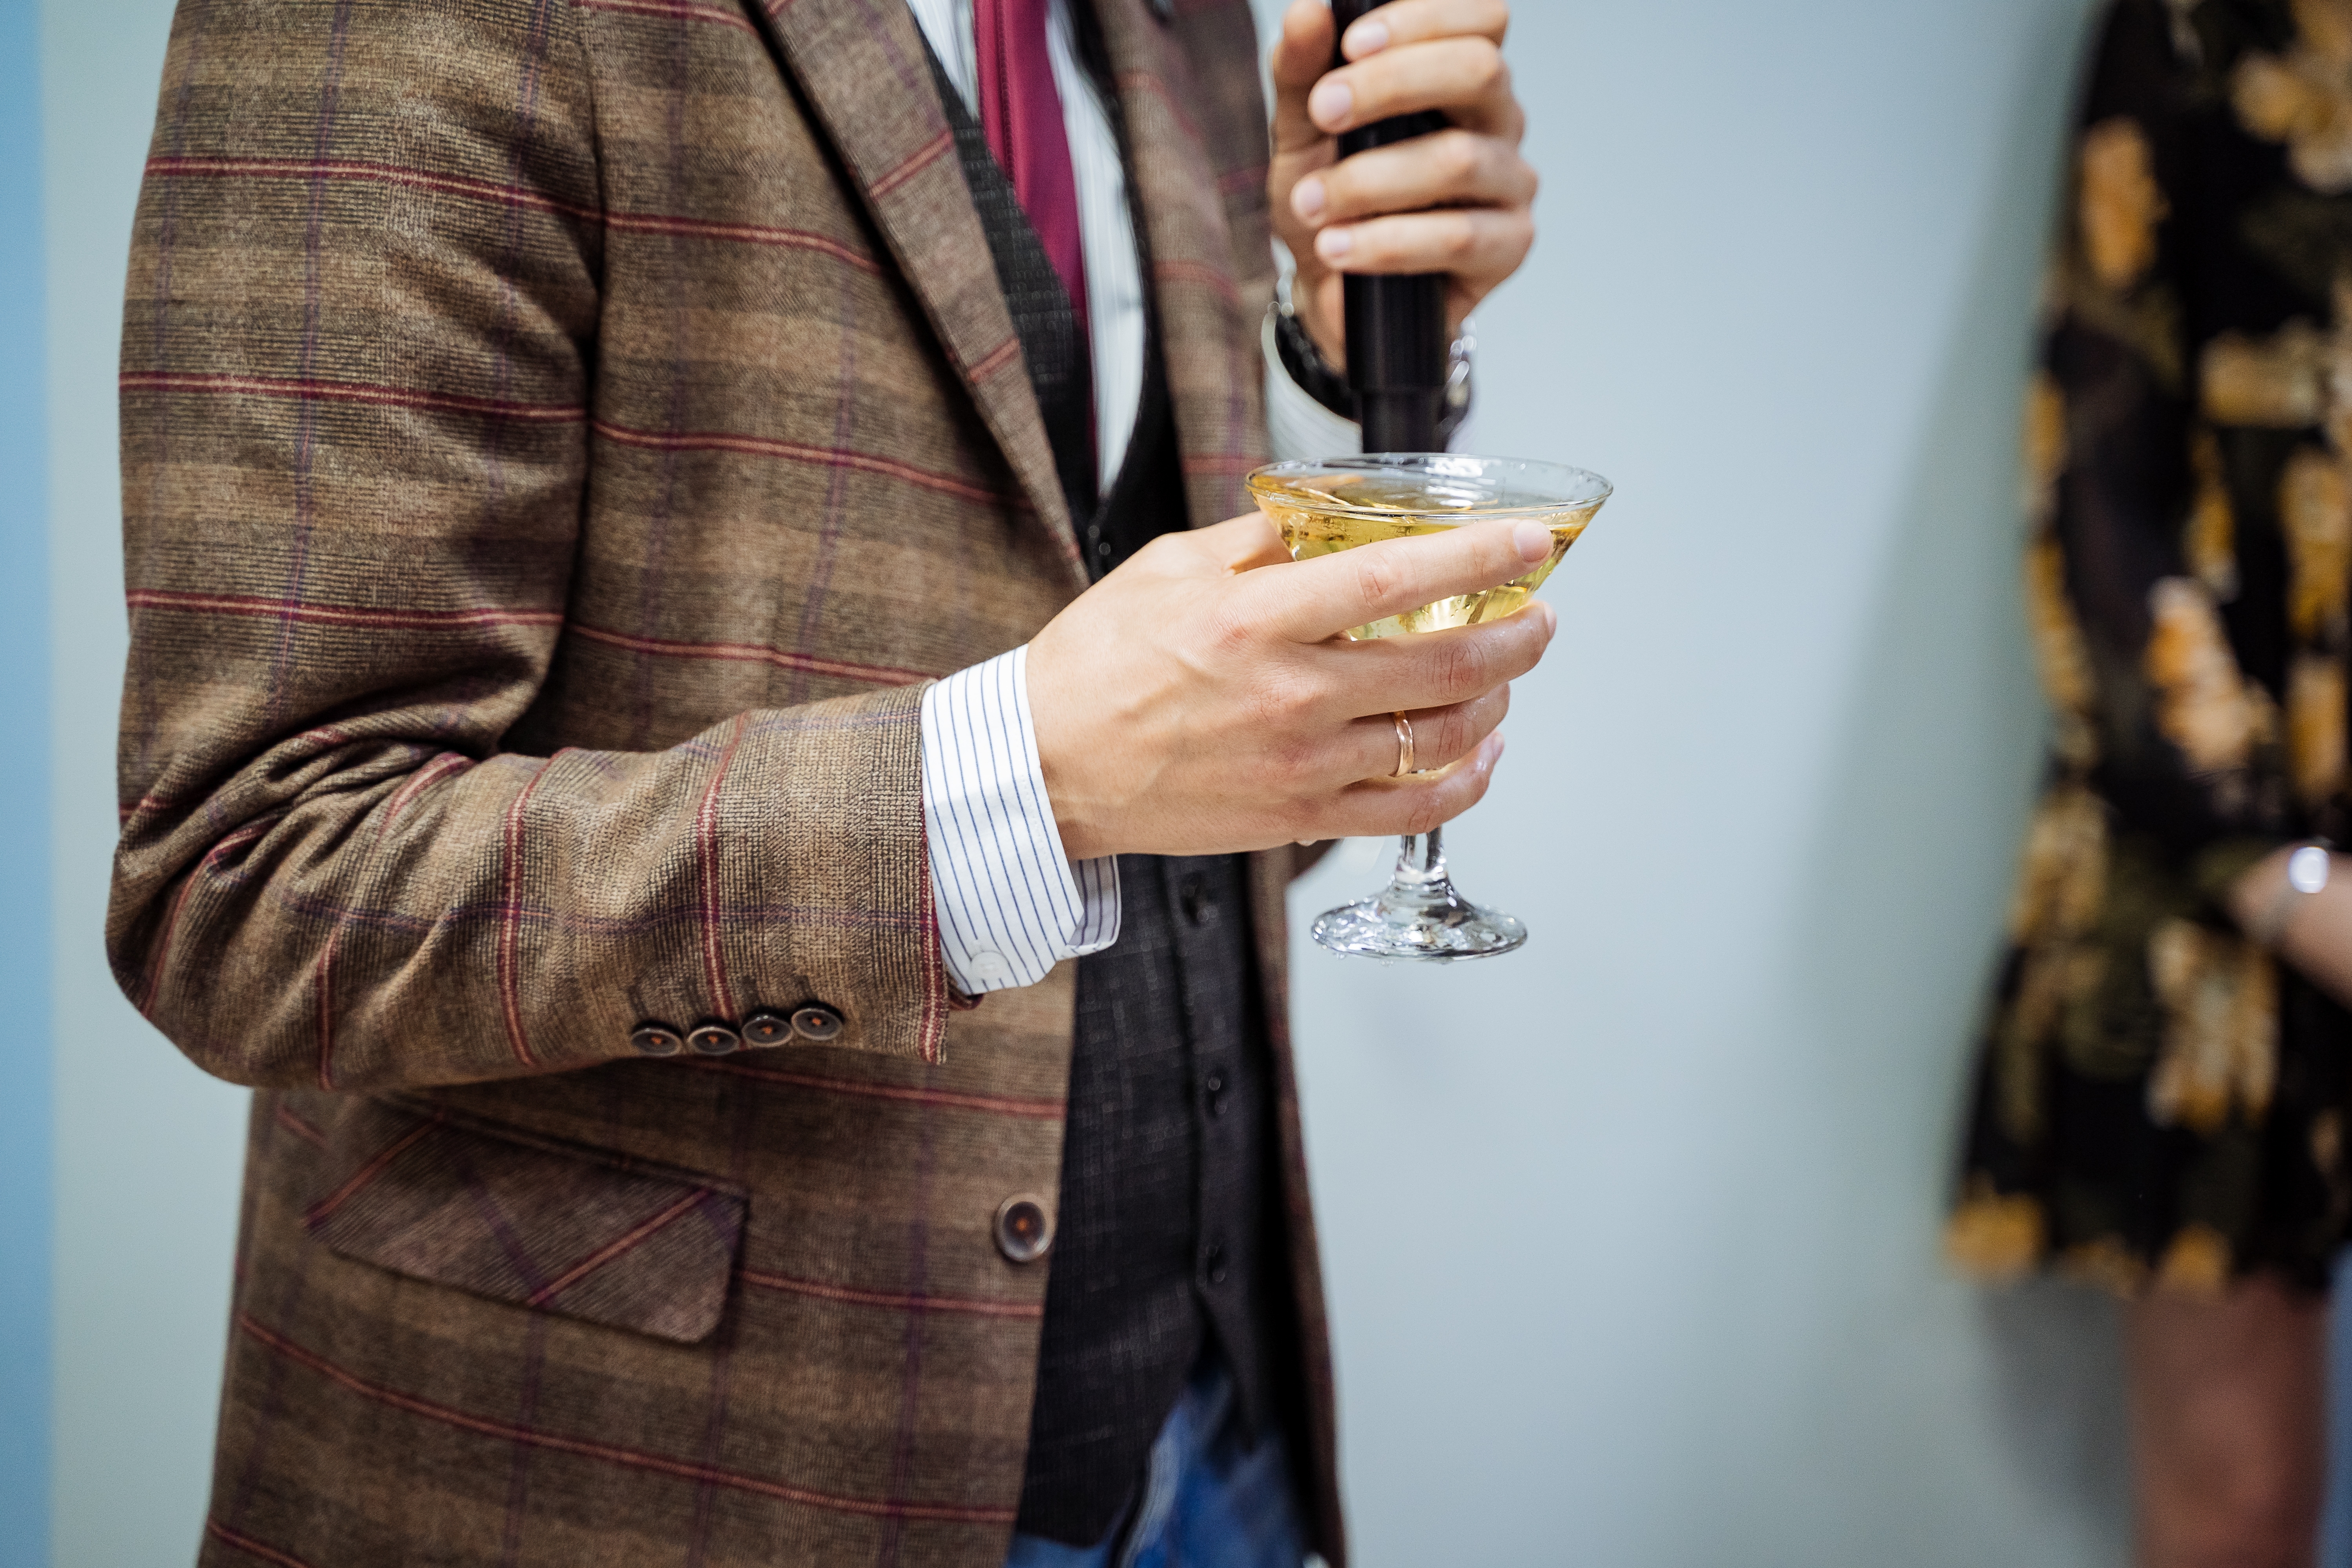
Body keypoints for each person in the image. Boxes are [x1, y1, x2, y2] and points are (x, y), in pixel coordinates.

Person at [108, 0, 1543, 1562]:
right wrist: (1017, 781)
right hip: (666, 1487)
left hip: (1218, 1447)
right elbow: (249, 879)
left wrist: (1335, 364)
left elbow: (1161, 743)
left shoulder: (1186, 24)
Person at [1947, 2, 2352, 1563]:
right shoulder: (2201, 23)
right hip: (2231, 858)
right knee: (2236, 1505)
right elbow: (2098, 492)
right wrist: (2296, 889)